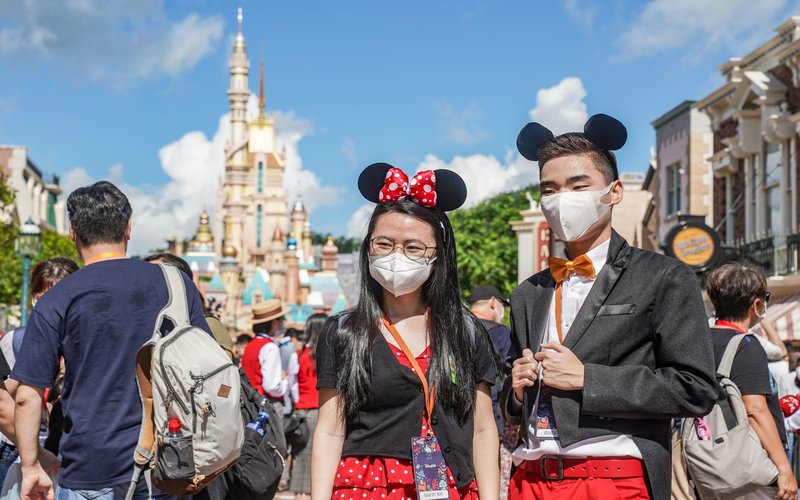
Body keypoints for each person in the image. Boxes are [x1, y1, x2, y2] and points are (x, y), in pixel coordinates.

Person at [502, 115, 718, 500]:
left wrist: (589, 378)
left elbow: (696, 389)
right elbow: (515, 408)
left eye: (577, 185)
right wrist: (516, 393)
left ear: (614, 192)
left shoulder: (663, 277)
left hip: (612, 477)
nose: (560, 199)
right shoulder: (527, 293)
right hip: (529, 476)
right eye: (549, 190)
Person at [11, 181, 210, 500]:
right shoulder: (175, 284)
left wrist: (31, 466)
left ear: (72, 232)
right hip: (169, 459)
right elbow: (207, 363)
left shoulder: (57, 297)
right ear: (129, 228)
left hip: (91, 469)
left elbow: (27, 396)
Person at [312, 163, 500, 500]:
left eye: (413, 247)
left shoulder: (466, 331)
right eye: (384, 244)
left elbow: (483, 428)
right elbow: (329, 430)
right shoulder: (343, 331)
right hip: (365, 488)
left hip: (449, 485)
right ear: (368, 247)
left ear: (438, 256)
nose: (397, 255)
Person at [706, 262, 798, 500]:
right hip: (749, 464)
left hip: (711, 461)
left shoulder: (700, 341)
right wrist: (784, 469)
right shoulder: (745, 345)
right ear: (756, 305)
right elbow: (754, 410)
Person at [0, 258, 78, 486]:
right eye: (40, 298)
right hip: (14, 445)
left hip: (63, 444)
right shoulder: (18, 339)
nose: (46, 307)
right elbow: (7, 396)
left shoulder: (82, 341)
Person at [468, 284, 515, 499]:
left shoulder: (455, 327)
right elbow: (511, 375)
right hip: (491, 423)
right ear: (493, 303)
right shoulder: (501, 333)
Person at [289, 313, 327, 500]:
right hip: (322, 409)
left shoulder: (299, 355)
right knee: (320, 463)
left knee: (301, 461)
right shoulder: (328, 355)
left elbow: (292, 385)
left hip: (302, 411)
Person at [241, 299, 292, 420]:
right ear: (274, 322)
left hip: (250, 404)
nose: (282, 324)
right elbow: (272, 387)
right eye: (281, 320)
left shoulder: (250, 345)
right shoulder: (270, 347)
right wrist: (284, 381)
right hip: (266, 405)